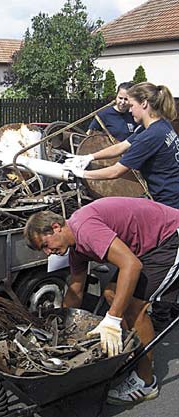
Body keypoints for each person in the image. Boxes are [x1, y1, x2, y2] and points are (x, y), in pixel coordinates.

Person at [24, 197, 179, 405]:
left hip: (169, 238)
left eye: (45, 244)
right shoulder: (76, 247)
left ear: (56, 227)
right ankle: (131, 349)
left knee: (134, 308)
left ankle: (146, 382)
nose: (47, 252)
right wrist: (58, 327)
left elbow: (131, 266)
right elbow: (76, 288)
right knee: (111, 293)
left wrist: (112, 319)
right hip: (150, 245)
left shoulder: (85, 230)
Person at [64, 82, 179, 330]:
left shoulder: (153, 135)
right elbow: (124, 146)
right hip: (168, 198)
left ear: (145, 104)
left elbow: (117, 171)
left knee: (162, 259)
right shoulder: (158, 126)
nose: (129, 110)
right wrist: (89, 157)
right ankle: (159, 308)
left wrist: (81, 175)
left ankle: (155, 318)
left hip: (171, 204)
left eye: (133, 104)